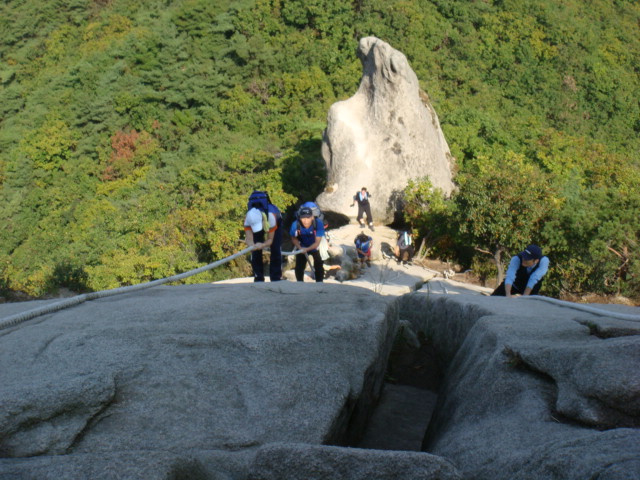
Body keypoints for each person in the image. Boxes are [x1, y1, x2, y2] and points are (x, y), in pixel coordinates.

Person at [244, 192, 283, 282]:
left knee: (275, 248)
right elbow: (249, 239)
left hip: (275, 223)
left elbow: (270, 240)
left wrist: (262, 245)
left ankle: (276, 277)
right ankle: (258, 277)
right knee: (255, 250)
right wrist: (252, 246)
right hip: (261, 222)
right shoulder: (248, 219)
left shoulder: (272, 217)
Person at [290, 206, 325, 282]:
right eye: (303, 218)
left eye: (308, 218)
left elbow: (317, 242)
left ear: (312, 217)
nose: (306, 221)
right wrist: (300, 248)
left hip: (315, 246)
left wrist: (307, 249)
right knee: (299, 266)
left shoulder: (318, 223)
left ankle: (320, 282)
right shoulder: (295, 225)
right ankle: (300, 283)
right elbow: (294, 238)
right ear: (299, 218)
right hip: (302, 245)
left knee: (318, 264)